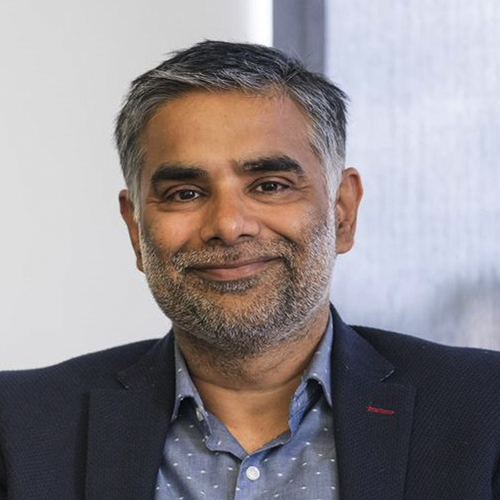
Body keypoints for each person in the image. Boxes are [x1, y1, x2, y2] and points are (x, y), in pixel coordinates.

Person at [0, 40, 499, 500]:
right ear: (136, 229)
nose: (229, 225)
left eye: (270, 185)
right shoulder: (18, 428)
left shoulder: (485, 412)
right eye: (185, 194)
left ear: (343, 212)